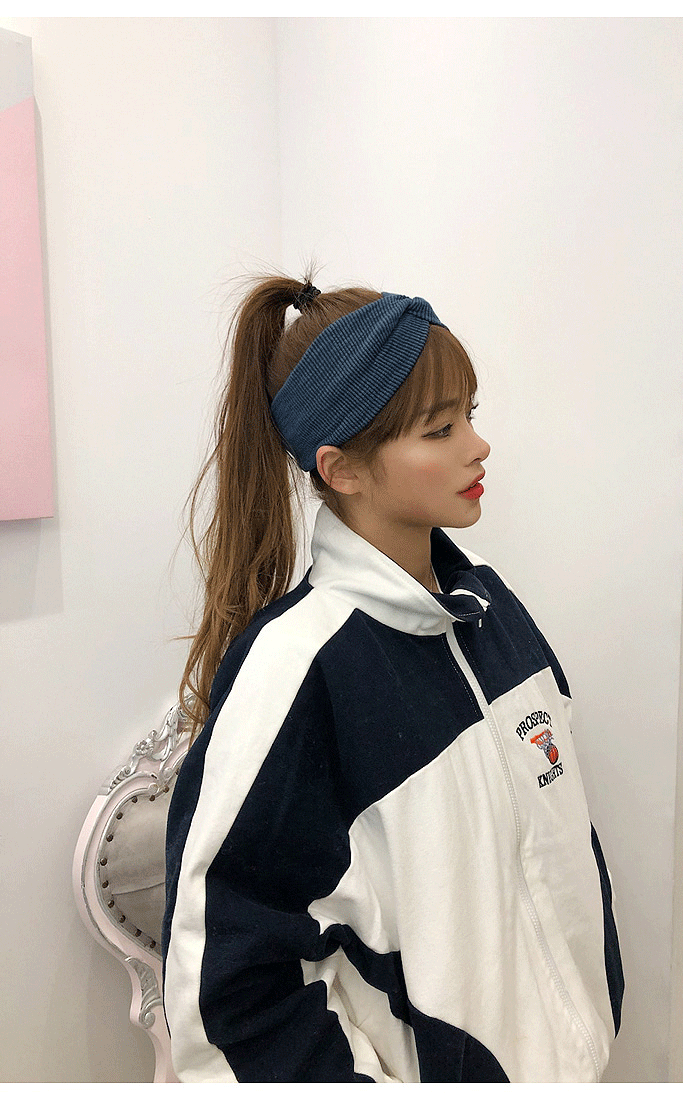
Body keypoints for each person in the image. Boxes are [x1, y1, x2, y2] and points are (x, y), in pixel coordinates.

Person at [162, 271, 624, 1083]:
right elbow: (229, 996)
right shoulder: (295, 670)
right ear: (341, 469)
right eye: (439, 429)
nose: (477, 446)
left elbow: (558, 850)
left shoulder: (492, 609)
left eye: (470, 415)